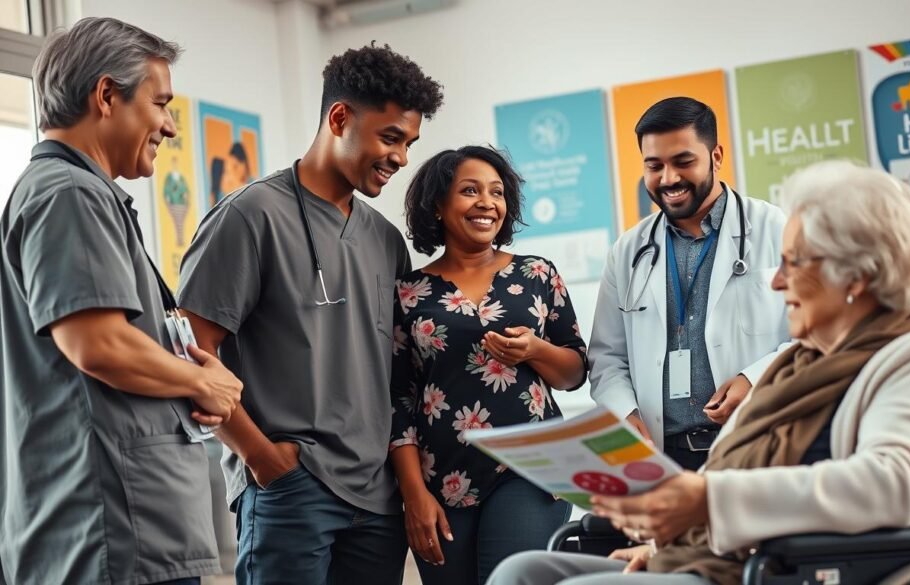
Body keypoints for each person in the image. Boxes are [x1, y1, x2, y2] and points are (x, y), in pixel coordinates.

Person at [487, 160, 910, 585]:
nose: (776, 278)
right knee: (524, 572)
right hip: (731, 554)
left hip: (801, 567)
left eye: (794, 262)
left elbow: (893, 485)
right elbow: (734, 471)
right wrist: (666, 540)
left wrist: (707, 499)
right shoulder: (797, 366)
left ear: (856, 275)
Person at [177, 43, 443, 585]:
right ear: (339, 117)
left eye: (409, 144)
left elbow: (396, 374)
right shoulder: (251, 216)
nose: (401, 158)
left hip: (376, 498)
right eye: (390, 137)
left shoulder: (386, 241)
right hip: (292, 489)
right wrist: (260, 458)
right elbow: (188, 353)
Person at [0, 17, 243, 585]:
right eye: (161, 104)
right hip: (113, 529)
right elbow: (98, 343)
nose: (170, 127)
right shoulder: (69, 195)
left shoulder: (74, 194)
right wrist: (202, 382)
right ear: (107, 95)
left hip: (122, 528)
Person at [389, 146, 589, 585]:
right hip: (442, 477)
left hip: (533, 465)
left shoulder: (538, 274)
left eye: (496, 192)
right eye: (469, 191)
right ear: (437, 205)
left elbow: (574, 372)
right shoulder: (406, 293)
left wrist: (535, 350)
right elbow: (397, 401)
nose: (487, 202)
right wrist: (413, 494)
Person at [589, 97, 790, 470]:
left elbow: (813, 337)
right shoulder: (627, 251)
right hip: (666, 456)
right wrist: (625, 413)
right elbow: (607, 359)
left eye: (683, 162)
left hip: (755, 444)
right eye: (654, 166)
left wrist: (754, 378)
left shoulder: (775, 228)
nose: (668, 179)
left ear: (716, 156)